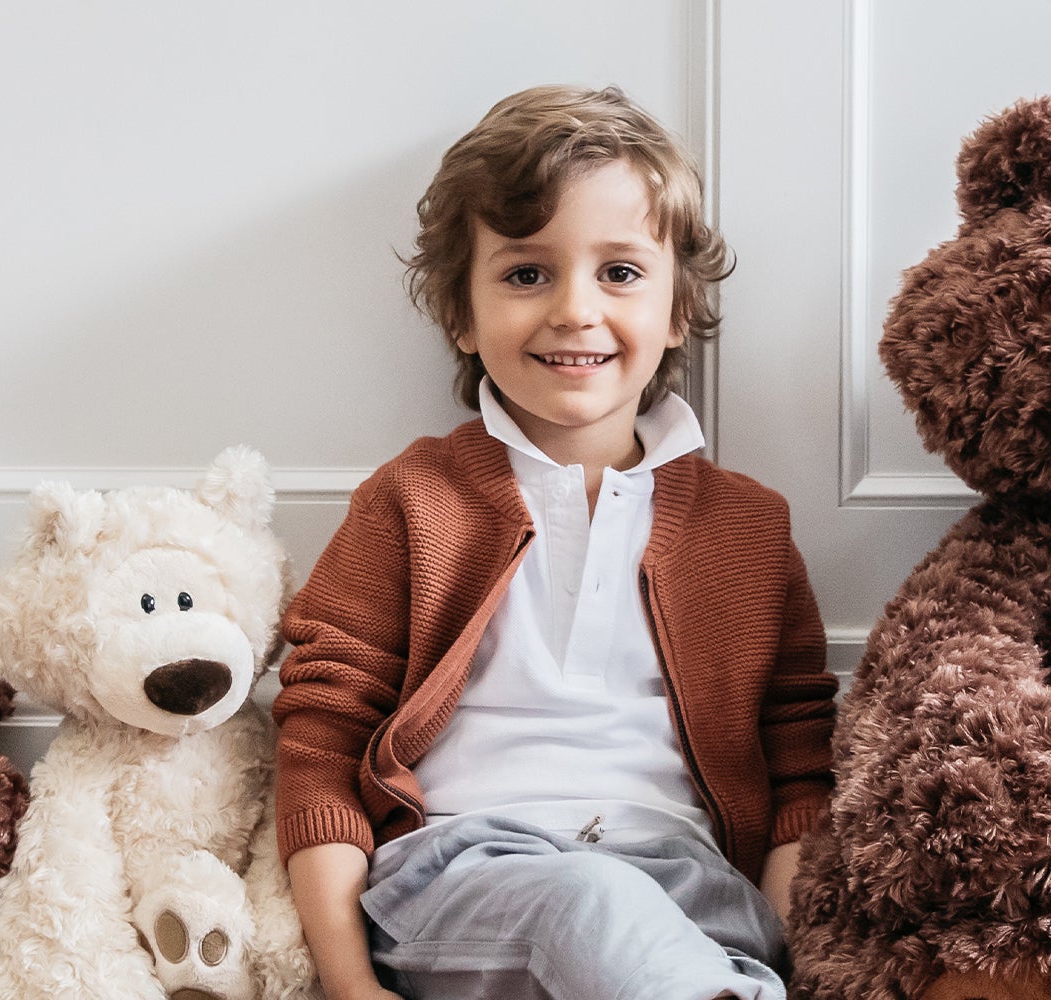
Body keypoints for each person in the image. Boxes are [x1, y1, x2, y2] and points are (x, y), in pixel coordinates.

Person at [271, 84, 837, 1000]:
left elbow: (799, 760)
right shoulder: (412, 500)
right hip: (465, 876)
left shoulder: (748, 525)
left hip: (695, 889)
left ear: (678, 309)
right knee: (591, 905)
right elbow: (323, 738)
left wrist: (791, 952)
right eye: (527, 273)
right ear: (461, 313)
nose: (575, 309)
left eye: (620, 272)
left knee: (660, 941)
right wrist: (348, 981)